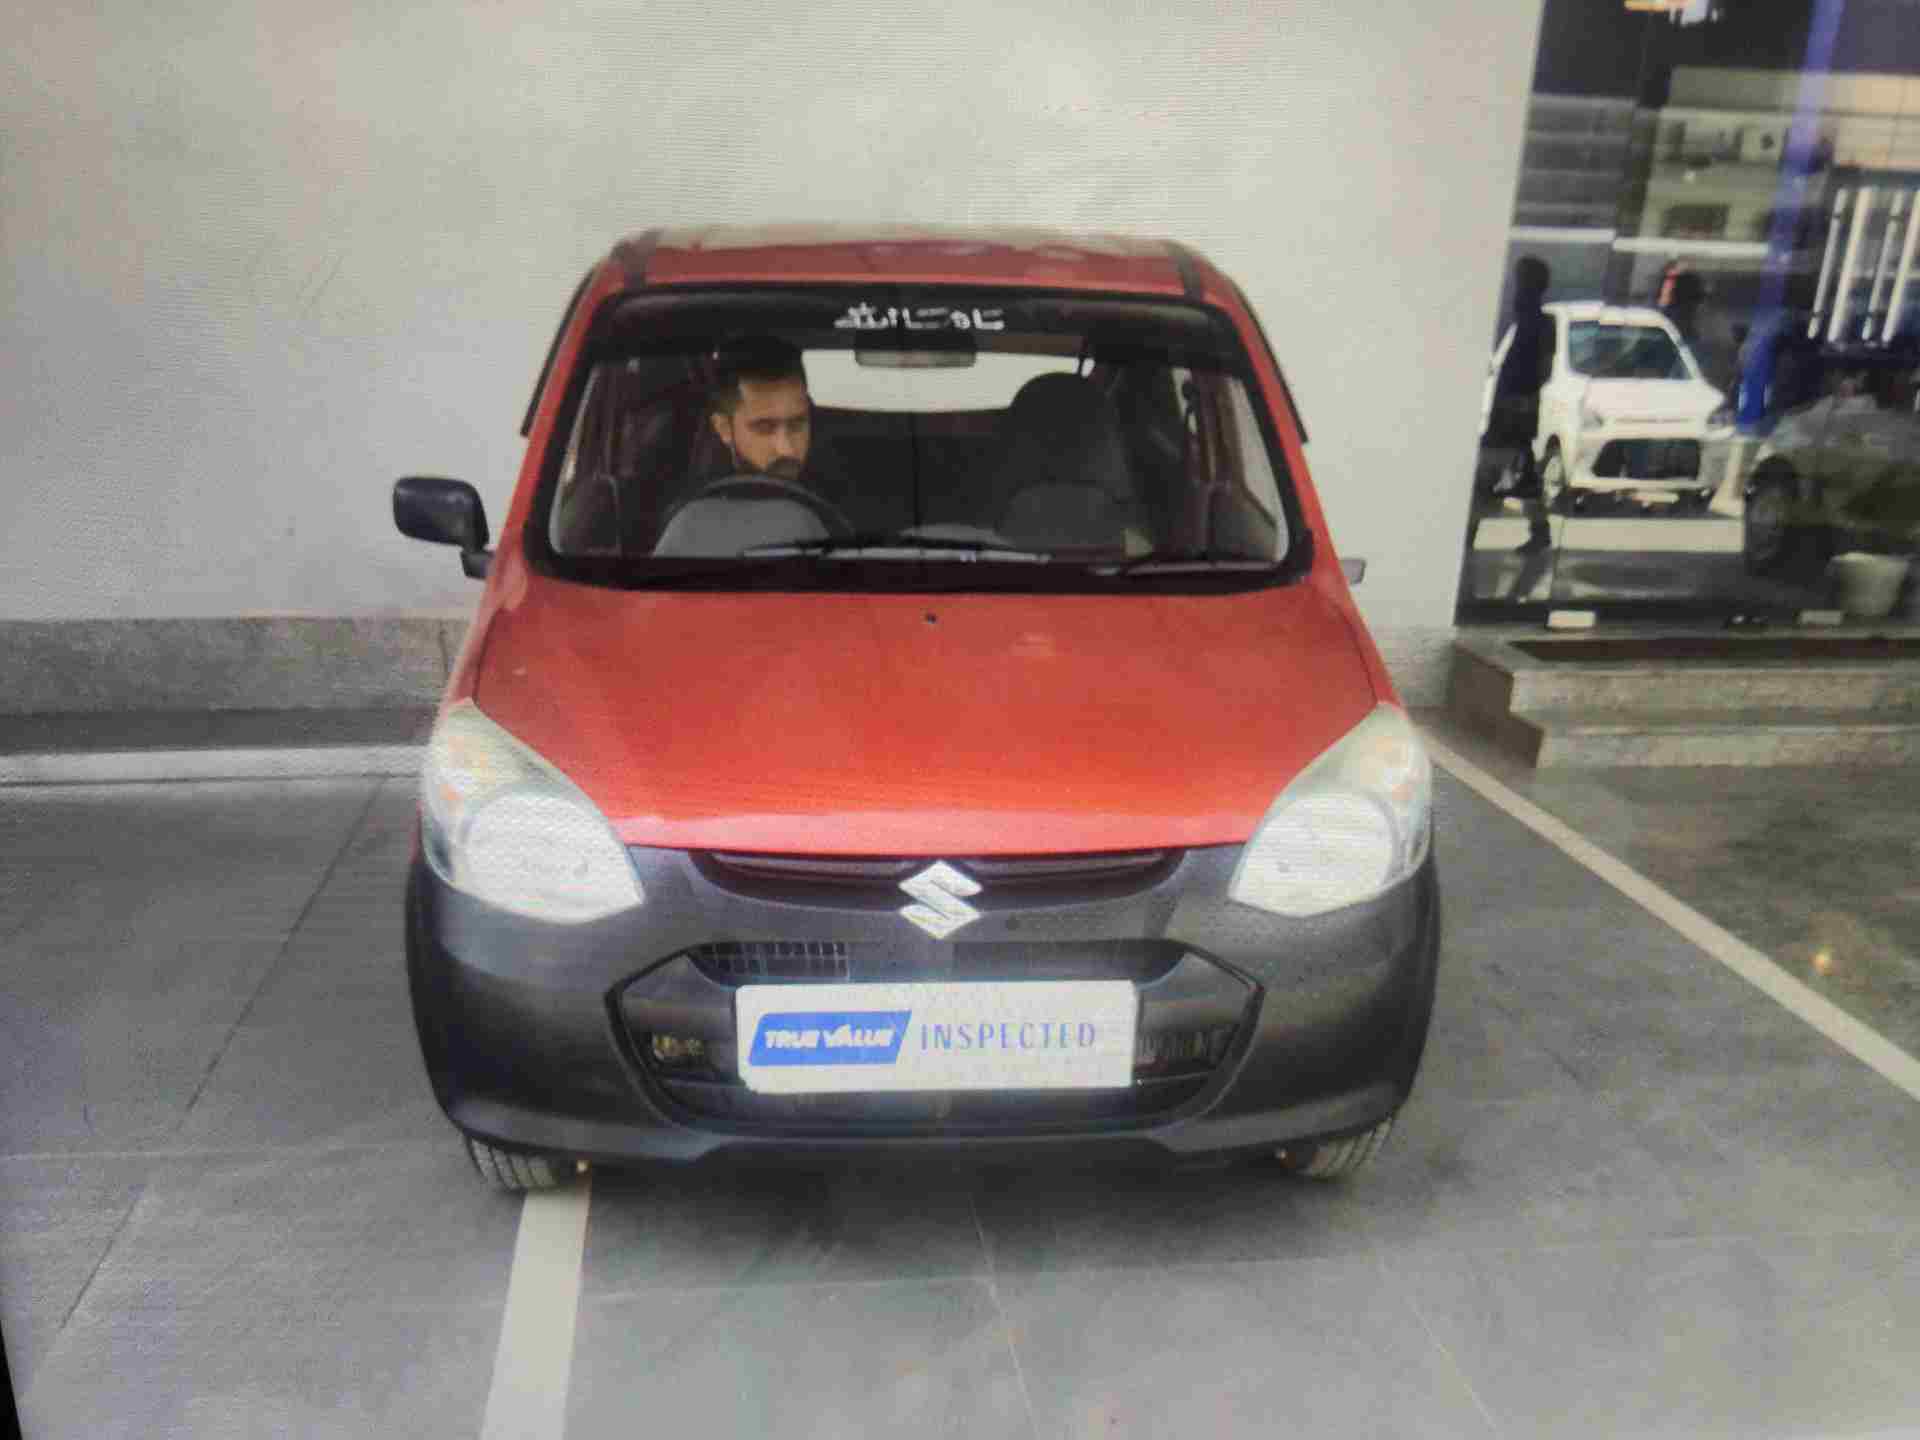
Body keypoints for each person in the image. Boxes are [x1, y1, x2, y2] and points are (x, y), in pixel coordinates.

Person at [1483, 256, 1555, 555]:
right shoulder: (1525, 322)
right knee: (1520, 476)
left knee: (1491, 472)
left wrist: (1520, 402)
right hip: (1512, 411)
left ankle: (1467, 534)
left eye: (1521, 282)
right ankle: (1540, 531)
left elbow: (1543, 370)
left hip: (1514, 413)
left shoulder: (1537, 324)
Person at [706, 335, 813, 480]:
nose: (787, 450)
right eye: (764, 428)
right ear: (724, 428)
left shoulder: (840, 484)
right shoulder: (695, 492)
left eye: (797, 425)